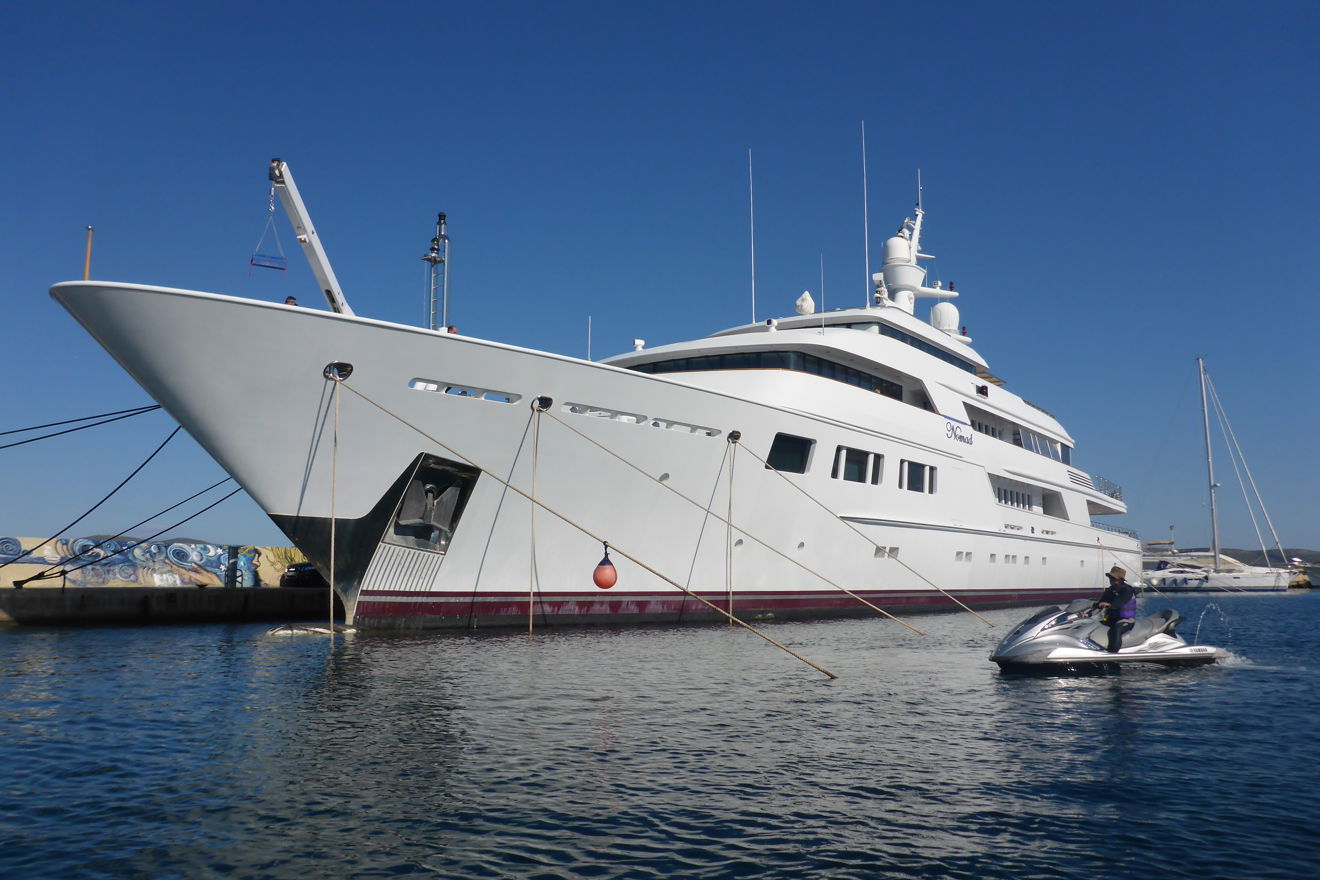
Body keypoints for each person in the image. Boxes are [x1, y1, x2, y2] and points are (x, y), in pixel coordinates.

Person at [1095, 565, 1138, 653]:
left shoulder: (1127, 590)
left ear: (1121, 579)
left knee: (1116, 630)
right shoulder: (1109, 591)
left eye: (1114, 578)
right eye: (1110, 578)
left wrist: (1109, 604)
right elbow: (1100, 603)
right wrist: (1089, 612)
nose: (1111, 580)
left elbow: (1119, 602)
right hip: (1111, 619)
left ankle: (1113, 653)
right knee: (1093, 626)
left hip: (1125, 620)